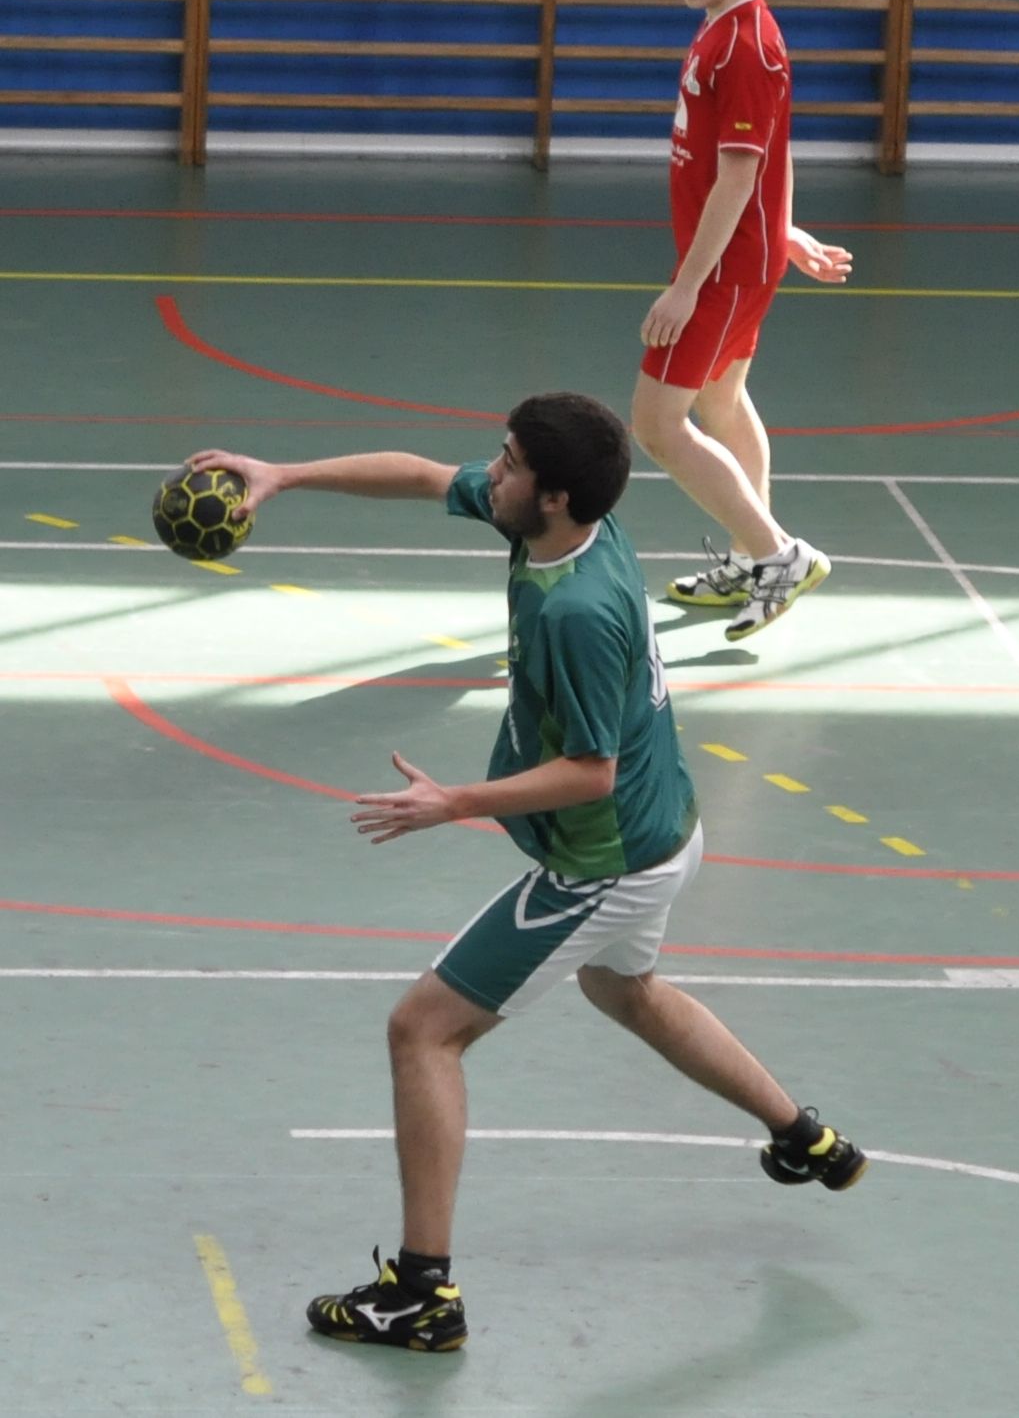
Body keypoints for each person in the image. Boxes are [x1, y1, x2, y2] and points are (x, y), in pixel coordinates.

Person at [189, 392, 866, 1354]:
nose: (489, 470)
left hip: (605, 861)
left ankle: (422, 1293)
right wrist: (283, 476)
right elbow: (425, 476)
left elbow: (591, 771)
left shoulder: (573, 611)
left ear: (551, 496)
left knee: (422, 1030)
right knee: (625, 989)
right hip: (666, 828)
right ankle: (803, 1138)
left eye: (507, 463)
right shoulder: (565, 526)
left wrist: (454, 801)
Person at [632, 0, 853, 641]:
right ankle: (746, 559)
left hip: (720, 269)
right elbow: (770, 152)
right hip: (741, 255)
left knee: (657, 424)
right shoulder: (723, 25)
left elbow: (737, 175)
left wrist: (685, 289)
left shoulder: (747, 45)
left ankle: (778, 554)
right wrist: (782, 232)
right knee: (722, 403)